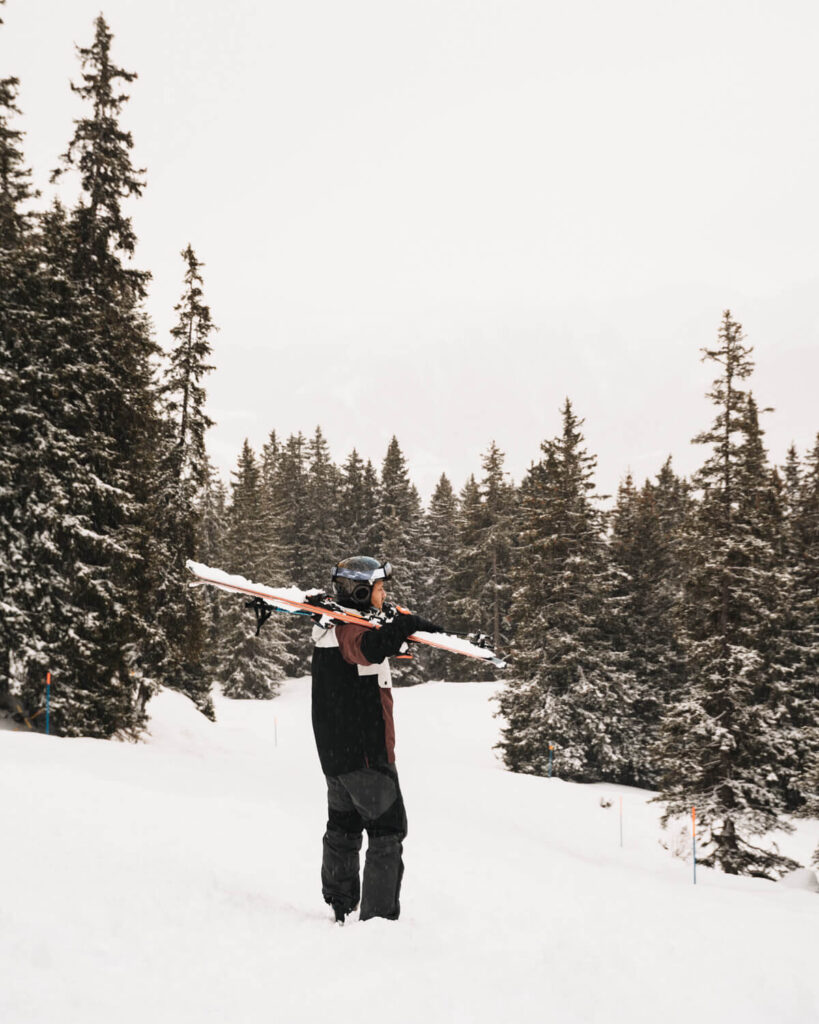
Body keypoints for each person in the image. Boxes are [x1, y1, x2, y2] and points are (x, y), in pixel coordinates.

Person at [310, 556, 442, 924]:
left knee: (344, 827)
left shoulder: (328, 627)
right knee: (387, 831)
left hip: (337, 759)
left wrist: (401, 631)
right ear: (361, 591)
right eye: (380, 589)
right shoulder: (350, 632)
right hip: (367, 756)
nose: (385, 595)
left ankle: (340, 901)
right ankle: (379, 921)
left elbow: (368, 654)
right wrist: (403, 625)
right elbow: (365, 648)